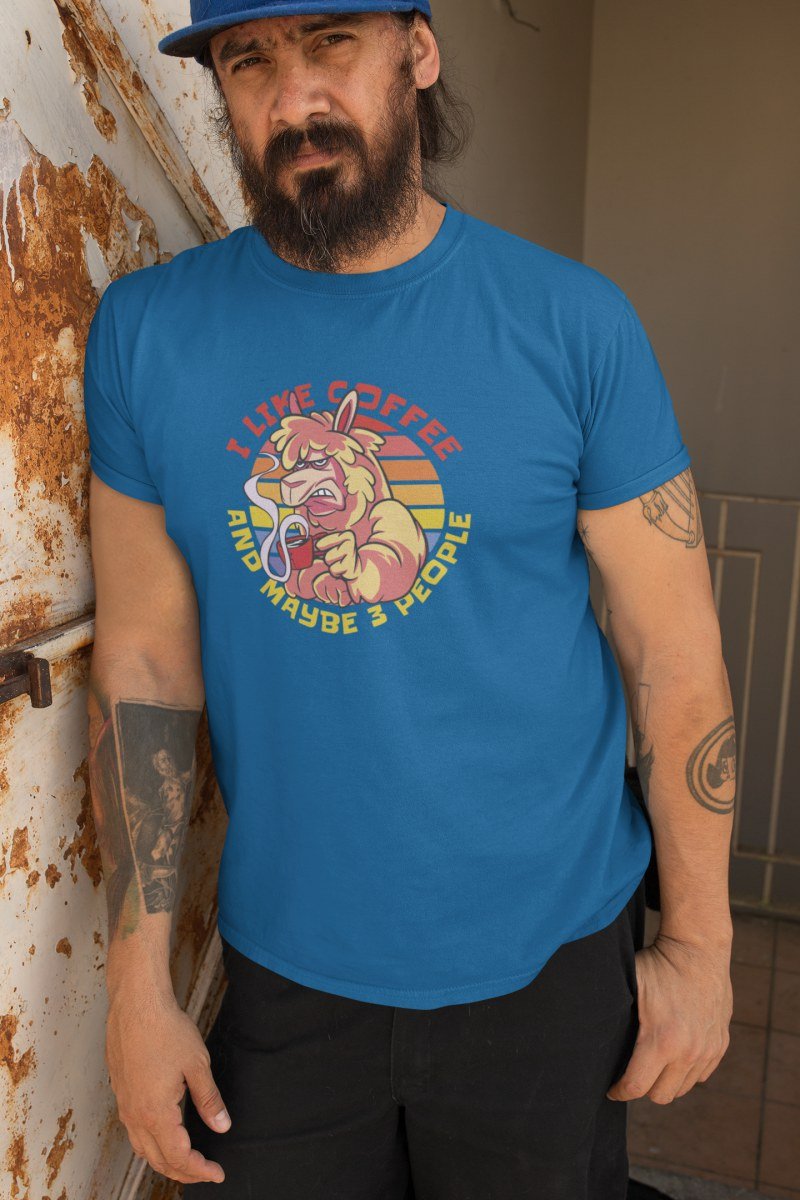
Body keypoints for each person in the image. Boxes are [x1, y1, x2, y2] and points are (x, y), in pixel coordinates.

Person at [82, 2, 736, 1196]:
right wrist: (136, 989)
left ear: (417, 53)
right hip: (284, 975)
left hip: (549, 965)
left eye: (331, 41)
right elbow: (142, 670)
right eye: (248, 60)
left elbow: (673, 657)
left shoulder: (572, 324)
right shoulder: (145, 333)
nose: (293, 100)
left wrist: (699, 945)